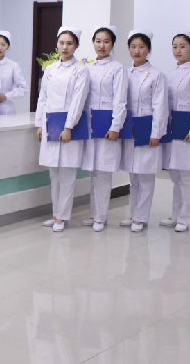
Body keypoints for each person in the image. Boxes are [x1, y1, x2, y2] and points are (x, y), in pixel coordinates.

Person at [35, 27, 89, 232]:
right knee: (54, 174)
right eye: (61, 43)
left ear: (76, 46)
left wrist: (68, 126)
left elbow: (78, 100)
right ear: (57, 44)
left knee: (67, 174)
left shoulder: (81, 70)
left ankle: (62, 216)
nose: (65, 47)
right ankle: (55, 213)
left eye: (69, 43)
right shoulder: (50, 69)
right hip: (50, 125)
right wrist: (40, 124)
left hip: (69, 127)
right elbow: (43, 98)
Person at [120, 30, 168, 233]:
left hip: (147, 126)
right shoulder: (125, 73)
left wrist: (156, 133)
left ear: (148, 49)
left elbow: (160, 106)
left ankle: (141, 217)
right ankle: (134, 214)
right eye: (133, 47)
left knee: (146, 175)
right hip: (130, 126)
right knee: (133, 175)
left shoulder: (156, 75)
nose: (137, 51)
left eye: (141, 47)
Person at [160, 31, 190, 232]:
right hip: (172, 127)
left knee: (187, 175)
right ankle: (176, 213)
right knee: (175, 174)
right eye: (175, 46)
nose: (178, 50)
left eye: (182, 46)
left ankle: (185, 218)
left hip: (188, 127)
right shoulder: (170, 74)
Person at [81, 26, 127, 232]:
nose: (102, 45)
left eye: (106, 41)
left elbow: (120, 100)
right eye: (98, 41)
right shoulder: (87, 68)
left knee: (104, 172)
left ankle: (101, 216)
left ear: (112, 45)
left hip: (107, 123)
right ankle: (94, 214)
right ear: (93, 43)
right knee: (93, 171)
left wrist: (116, 125)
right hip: (90, 123)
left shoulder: (117, 68)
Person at [0, 30, 27, 115]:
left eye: (3, 44)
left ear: (8, 46)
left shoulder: (13, 66)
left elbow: (23, 89)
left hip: (6, 109)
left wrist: (6, 96)